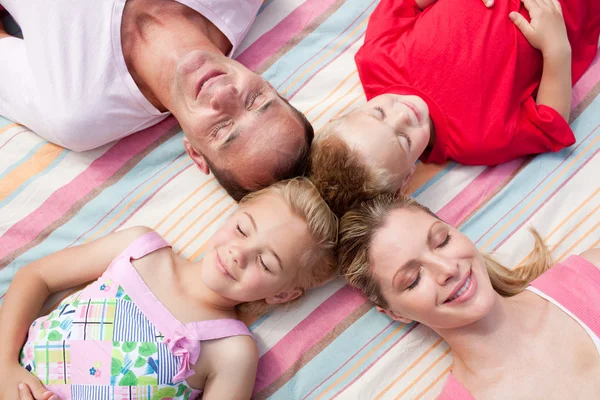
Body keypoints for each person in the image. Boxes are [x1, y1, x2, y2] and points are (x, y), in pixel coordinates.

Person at [0, 178, 338, 400]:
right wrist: (5, 369)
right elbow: (35, 277)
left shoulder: (231, 351)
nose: (239, 253)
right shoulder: (139, 248)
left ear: (281, 294)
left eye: (266, 263)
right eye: (241, 229)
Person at [308, 0, 600, 216]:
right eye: (404, 140)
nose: (404, 114)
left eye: (378, 113)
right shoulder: (475, 141)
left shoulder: (376, 58)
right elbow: (548, 124)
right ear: (407, 177)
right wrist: (556, 47)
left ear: (344, 115)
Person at [0, 0, 314, 201]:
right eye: (257, 100)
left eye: (222, 129)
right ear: (268, 84)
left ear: (195, 152)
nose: (221, 94)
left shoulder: (77, 112)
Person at [337, 193, 600, 399]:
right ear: (396, 313)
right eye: (413, 279)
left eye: (442, 241)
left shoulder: (591, 275)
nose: (448, 269)